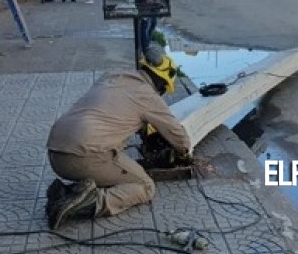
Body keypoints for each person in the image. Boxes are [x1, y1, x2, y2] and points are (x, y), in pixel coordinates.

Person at [44, 45, 191, 229]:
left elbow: (117, 111)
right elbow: (179, 137)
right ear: (161, 82)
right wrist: (184, 153)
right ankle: (88, 203)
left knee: (115, 165)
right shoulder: (147, 96)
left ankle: (67, 193)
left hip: (55, 154)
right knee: (145, 187)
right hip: (84, 157)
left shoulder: (112, 76)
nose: (160, 94)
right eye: (162, 90)